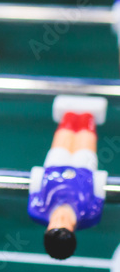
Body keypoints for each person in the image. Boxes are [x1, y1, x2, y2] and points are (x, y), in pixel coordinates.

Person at [28, 97, 108, 260]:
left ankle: (70, 116)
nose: (60, 221)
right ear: (73, 231)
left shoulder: (38, 210)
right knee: (85, 137)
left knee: (64, 133)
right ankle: (87, 117)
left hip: (55, 166)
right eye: (65, 228)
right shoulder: (89, 215)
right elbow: (99, 193)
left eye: (54, 227)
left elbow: (35, 185)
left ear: (47, 229)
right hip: (84, 170)